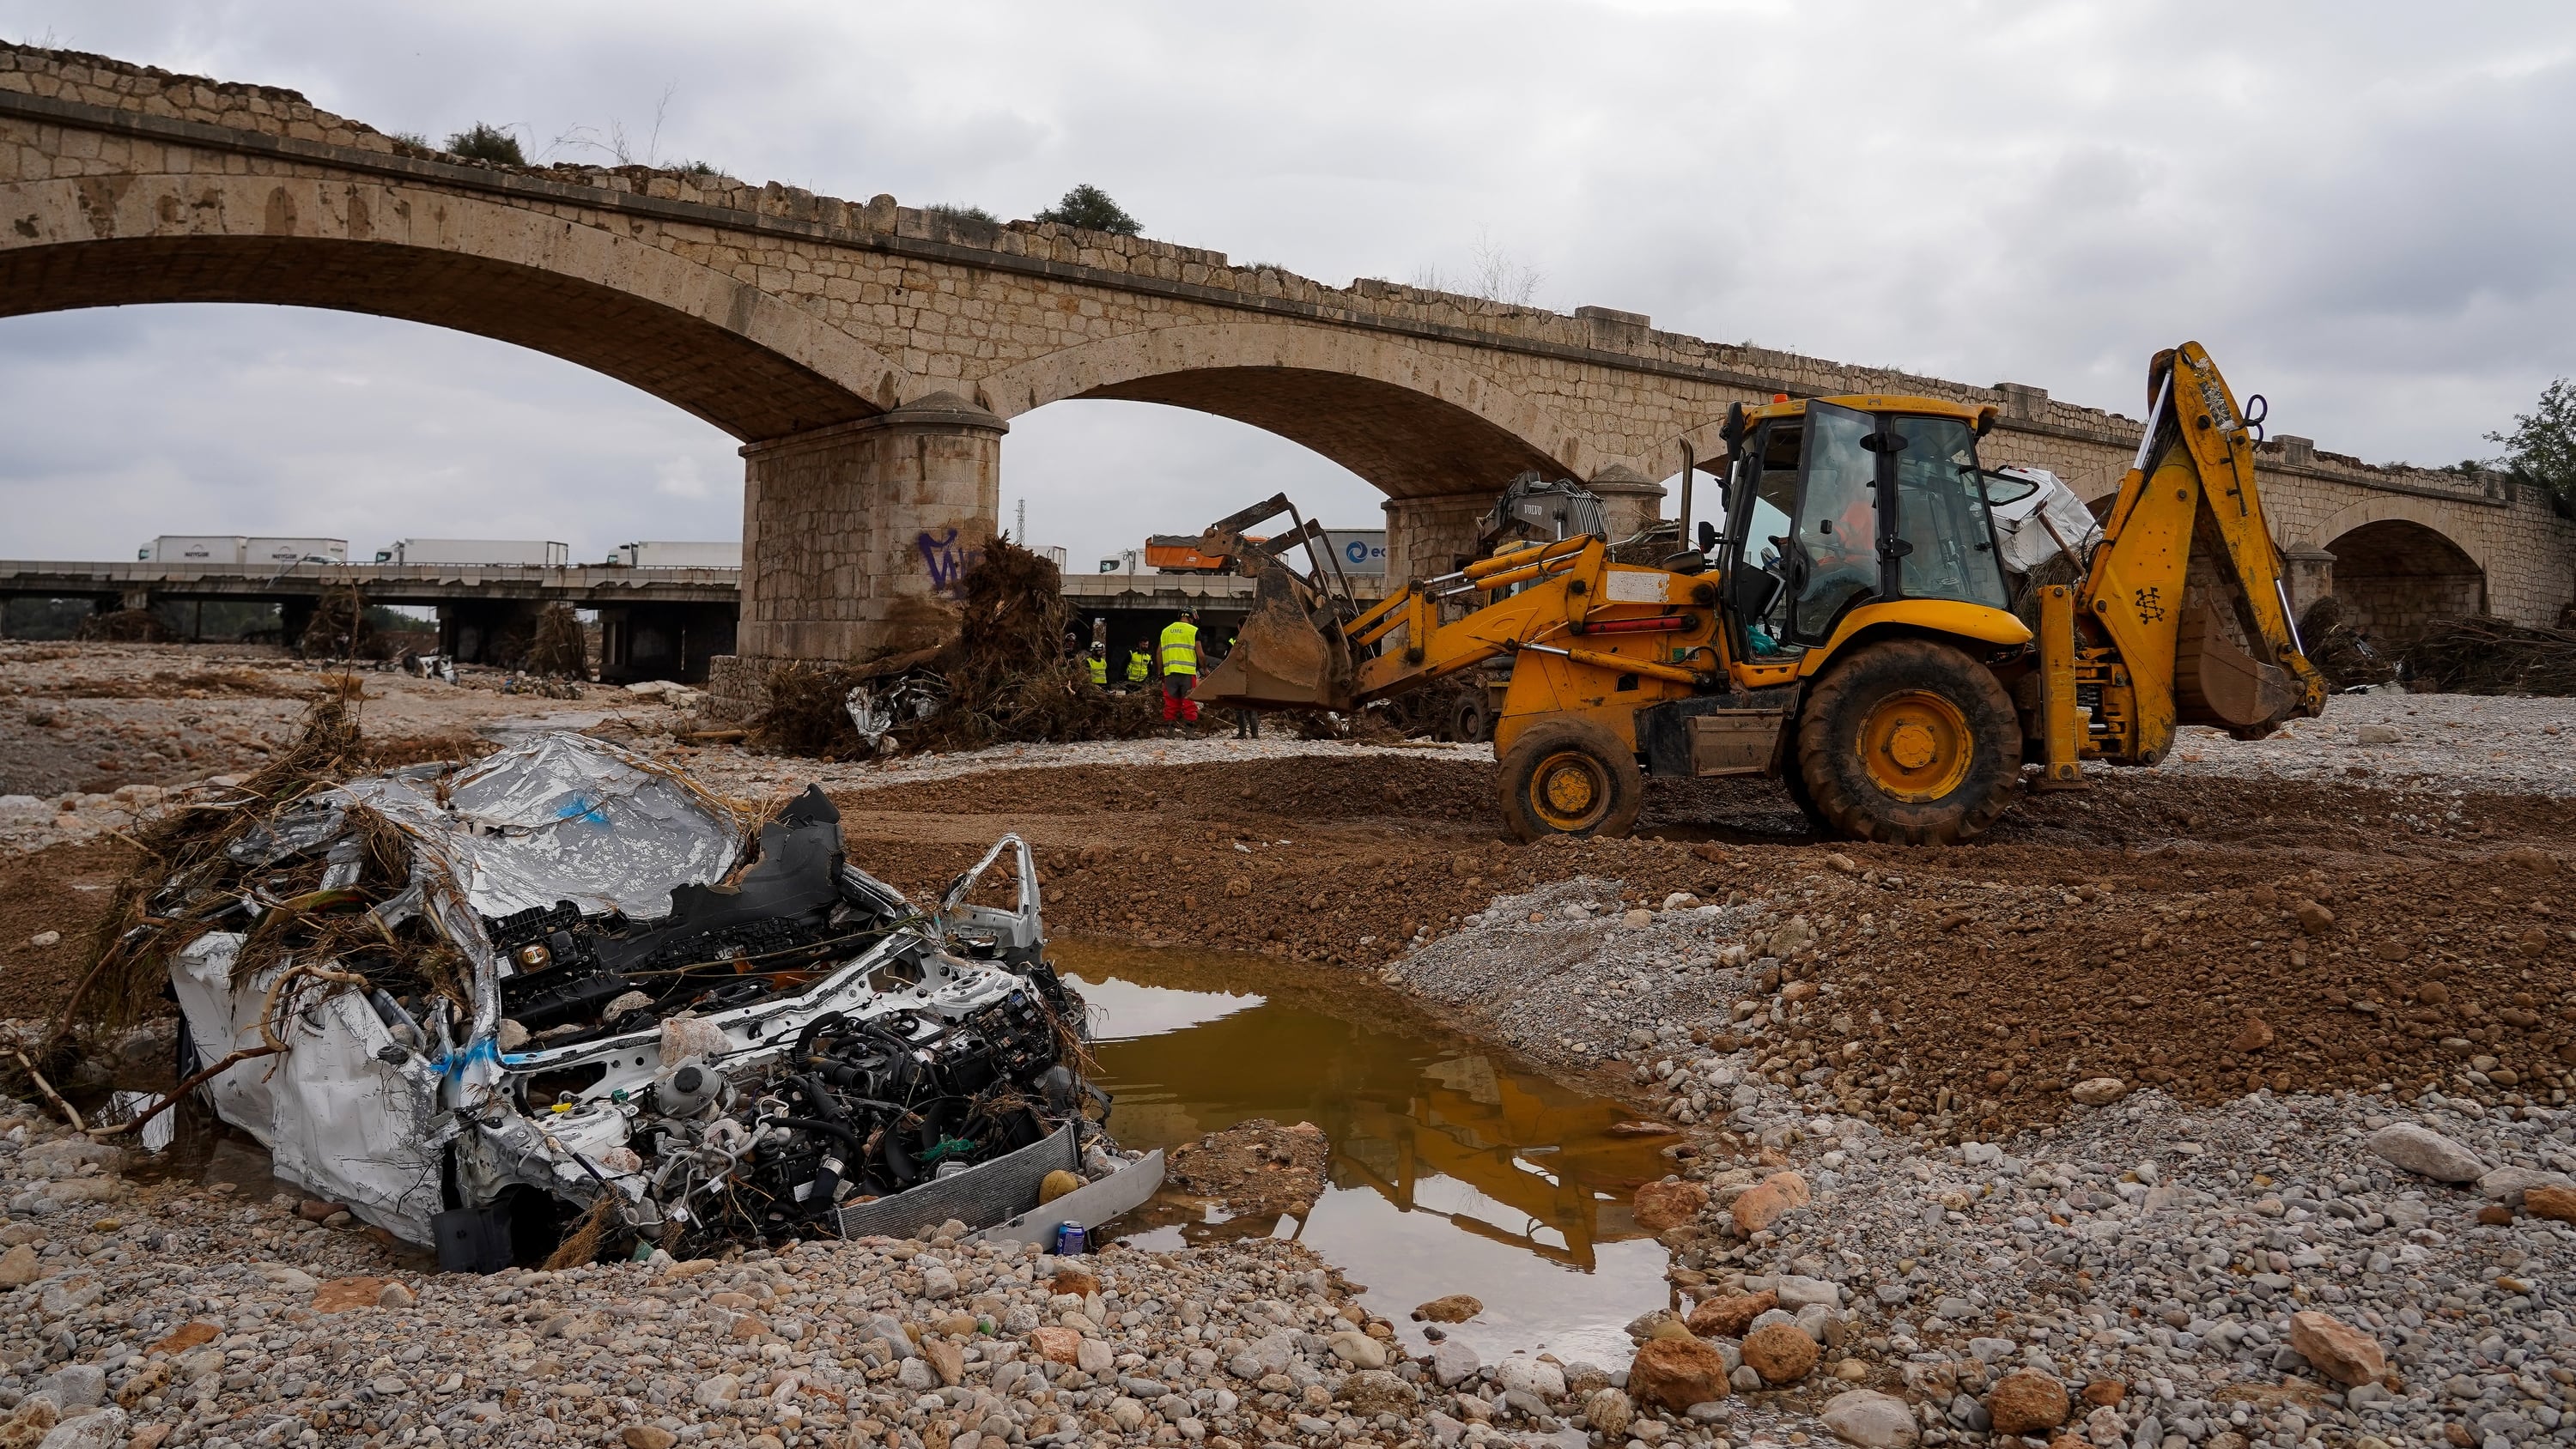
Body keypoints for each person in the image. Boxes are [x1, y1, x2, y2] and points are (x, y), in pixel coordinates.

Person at [1157, 609, 1201, 724]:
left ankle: (1170, 732)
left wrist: (1160, 671)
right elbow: (1200, 654)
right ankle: (1189, 732)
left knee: (1170, 703)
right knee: (1189, 701)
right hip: (1187, 673)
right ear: (1191, 617)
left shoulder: (1166, 631)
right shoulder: (1194, 631)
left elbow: (1159, 652)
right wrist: (1205, 669)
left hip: (1170, 673)